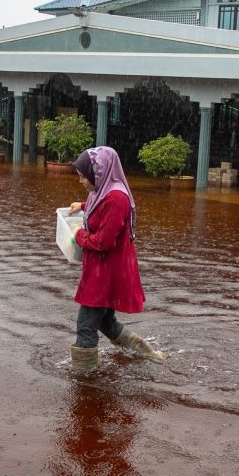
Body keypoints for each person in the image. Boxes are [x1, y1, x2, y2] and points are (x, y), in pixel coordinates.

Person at [67, 146, 165, 375]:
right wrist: (82, 205)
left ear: (98, 173)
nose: (81, 182)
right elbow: (100, 207)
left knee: (86, 325)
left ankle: (84, 380)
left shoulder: (116, 198)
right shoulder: (104, 190)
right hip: (103, 269)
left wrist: (78, 235)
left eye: (83, 177)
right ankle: (146, 353)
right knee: (104, 321)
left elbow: (103, 241)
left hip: (106, 272)